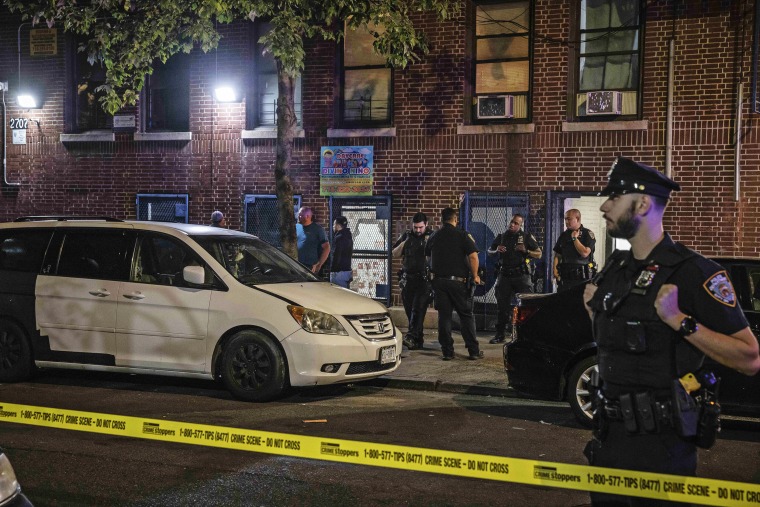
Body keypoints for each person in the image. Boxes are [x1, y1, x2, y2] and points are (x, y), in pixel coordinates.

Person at [583, 157, 760, 506]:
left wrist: (680, 320)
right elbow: (617, 346)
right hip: (610, 440)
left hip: (661, 449)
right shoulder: (617, 270)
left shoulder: (695, 272)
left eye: (614, 198)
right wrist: (592, 312)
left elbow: (750, 357)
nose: (604, 206)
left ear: (643, 203)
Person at [425, 207, 483, 361]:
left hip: (439, 281)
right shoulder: (463, 235)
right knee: (466, 316)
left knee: (444, 317)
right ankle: (473, 351)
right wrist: (476, 276)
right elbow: (473, 257)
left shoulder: (434, 236)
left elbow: (427, 257)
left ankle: (447, 352)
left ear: (441, 219)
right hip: (458, 283)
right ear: (455, 219)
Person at [487, 214, 542, 344]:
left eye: (516, 223)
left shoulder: (526, 237)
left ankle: (527, 335)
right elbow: (490, 251)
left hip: (521, 276)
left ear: (520, 225)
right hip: (505, 275)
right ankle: (500, 335)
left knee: (526, 306)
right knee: (502, 307)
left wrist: (526, 250)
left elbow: (539, 254)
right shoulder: (501, 237)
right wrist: (496, 250)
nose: (513, 224)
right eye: (512, 222)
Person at [392, 212, 433, 350]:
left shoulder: (432, 237)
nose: (418, 230)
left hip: (424, 280)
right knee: (410, 311)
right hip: (408, 279)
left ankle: (411, 336)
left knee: (418, 309)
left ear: (426, 225)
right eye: (415, 227)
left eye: (421, 227)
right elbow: (395, 253)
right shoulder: (406, 236)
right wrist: (406, 242)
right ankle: (417, 340)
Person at [553, 208, 595, 291]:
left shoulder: (587, 234)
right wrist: (555, 270)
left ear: (578, 219)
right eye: (565, 219)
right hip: (565, 278)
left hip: (581, 278)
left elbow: (585, 253)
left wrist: (575, 239)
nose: (566, 222)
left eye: (569, 219)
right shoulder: (564, 235)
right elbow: (558, 254)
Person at [297, 206, 330, 275]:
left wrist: (319, 263)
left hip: (310, 267)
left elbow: (326, 247)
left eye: (300, 215)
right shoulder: (296, 227)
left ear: (307, 216)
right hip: (296, 265)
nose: (298, 217)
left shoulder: (317, 229)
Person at [329, 216, 353, 289]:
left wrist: (333, 270)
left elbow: (336, 255)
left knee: (337, 296)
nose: (333, 226)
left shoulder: (339, 238)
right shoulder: (348, 236)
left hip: (339, 273)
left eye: (334, 224)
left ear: (338, 226)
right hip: (347, 271)